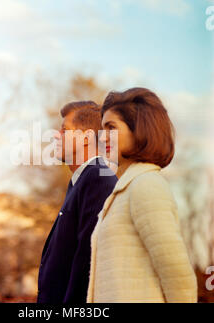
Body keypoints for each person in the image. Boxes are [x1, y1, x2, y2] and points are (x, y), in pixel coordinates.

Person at [87, 88, 197, 303]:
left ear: (139, 130)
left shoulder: (146, 185)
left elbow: (177, 274)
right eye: (102, 129)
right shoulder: (124, 190)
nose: (103, 137)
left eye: (111, 128)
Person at [37, 101, 118, 303]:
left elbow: (87, 262)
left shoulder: (97, 179)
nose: (56, 135)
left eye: (65, 130)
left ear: (86, 138)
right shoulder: (81, 181)